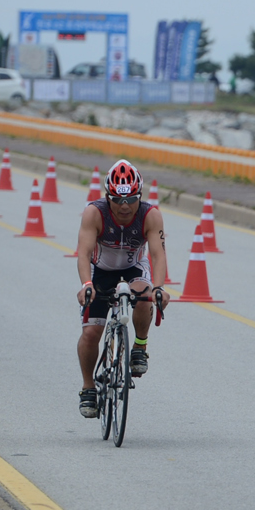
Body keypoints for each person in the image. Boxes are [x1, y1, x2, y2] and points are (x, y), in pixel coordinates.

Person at [74, 160, 169, 418]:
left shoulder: (151, 215)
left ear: (140, 196)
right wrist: (86, 285)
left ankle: (139, 346)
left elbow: (158, 255)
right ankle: (88, 387)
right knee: (92, 332)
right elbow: (83, 254)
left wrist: (159, 288)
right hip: (100, 271)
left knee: (144, 294)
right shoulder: (94, 213)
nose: (125, 206)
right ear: (108, 197)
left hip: (133, 268)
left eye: (131, 199)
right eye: (117, 200)